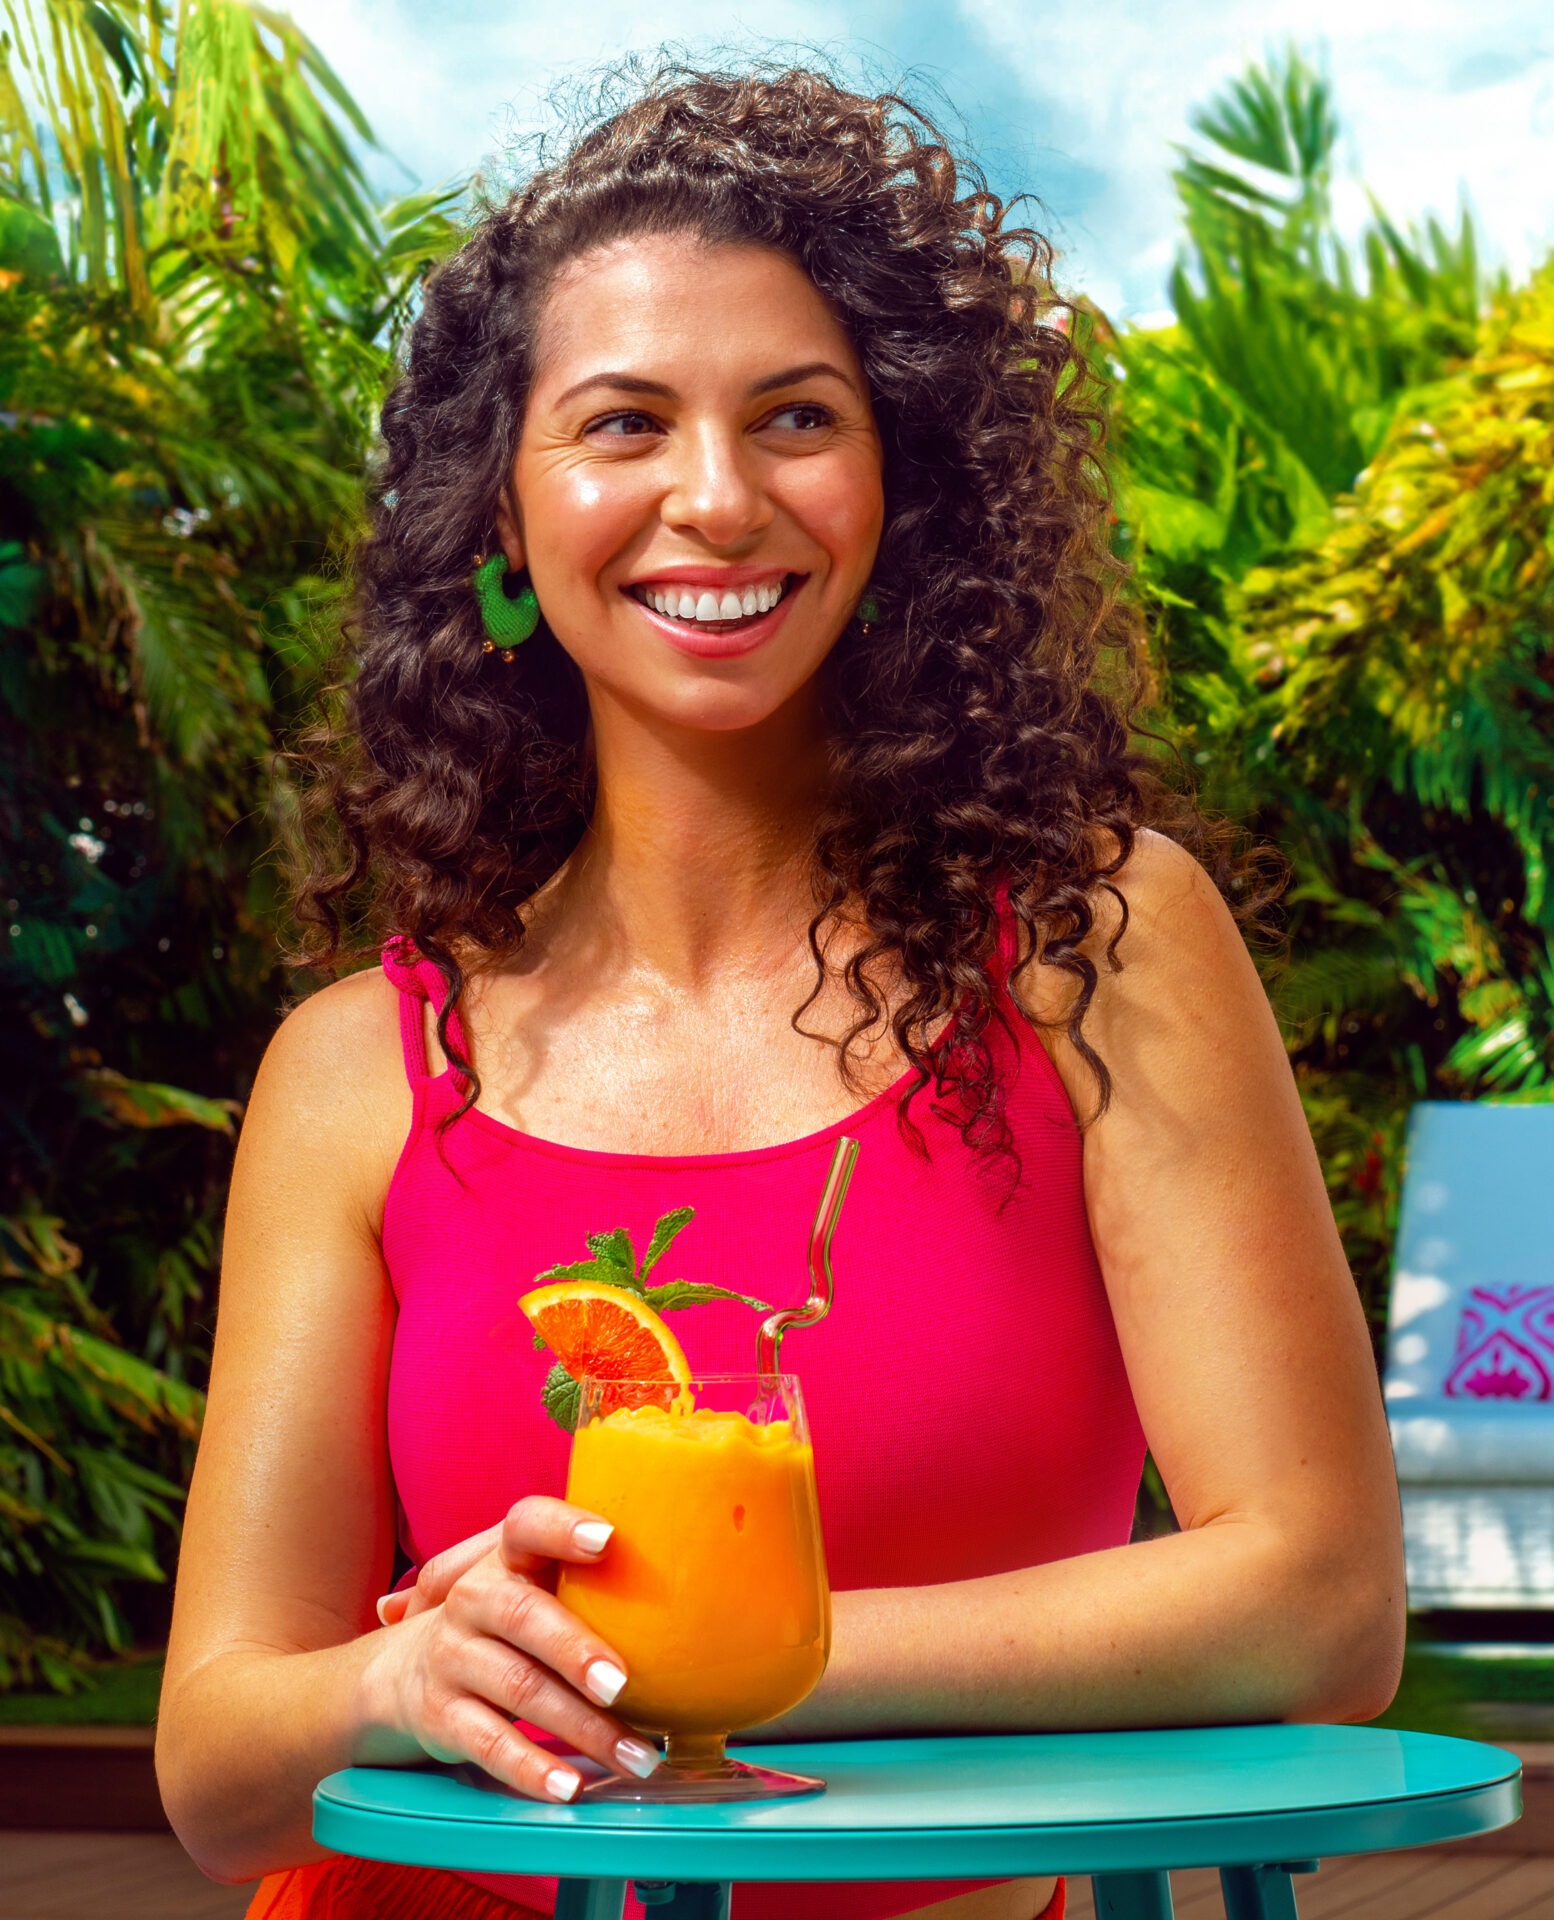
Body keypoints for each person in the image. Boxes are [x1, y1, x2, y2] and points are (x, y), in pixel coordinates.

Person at [155, 63, 1405, 1920]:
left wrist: (725, 1657)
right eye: (621, 424)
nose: (717, 500)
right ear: (503, 514)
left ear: (898, 484)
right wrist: (397, 1681)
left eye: (796, 416)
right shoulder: (358, 1070)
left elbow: (1316, 1603)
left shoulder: (1094, 953)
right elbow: (220, 1772)